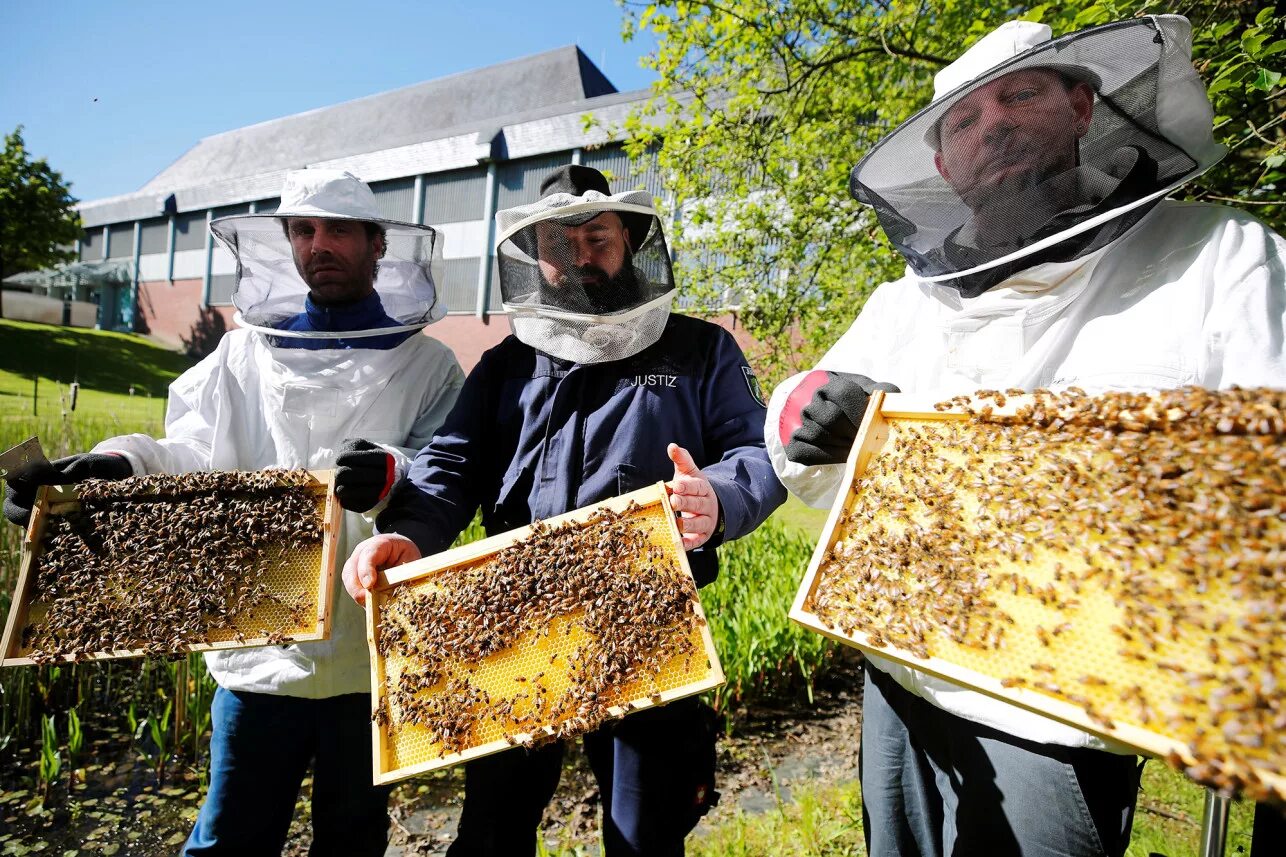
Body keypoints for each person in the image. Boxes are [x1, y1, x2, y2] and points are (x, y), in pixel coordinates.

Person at [766, 16, 1286, 857]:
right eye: (963, 121)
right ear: (942, 166)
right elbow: (795, 425)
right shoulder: (908, 300)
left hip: (1054, 704)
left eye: (1020, 95)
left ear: (1084, 104)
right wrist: (809, 410)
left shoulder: (1218, 257)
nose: (992, 125)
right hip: (897, 667)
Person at [4, 168, 465, 855]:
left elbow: (451, 471)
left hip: (371, 657)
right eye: (304, 231)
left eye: (339, 229)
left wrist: (396, 471)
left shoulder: (430, 365)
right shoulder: (241, 353)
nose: (320, 245)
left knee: (354, 839)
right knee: (229, 841)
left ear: (377, 244)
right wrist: (115, 465)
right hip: (258, 657)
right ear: (285, 245)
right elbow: (189, 450)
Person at [343, 164, 787, 857]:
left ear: (630, 241)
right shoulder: (505, 365)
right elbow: (451, 466)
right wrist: (407, 533)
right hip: (515, 622)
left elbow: (758, 452)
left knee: (644, 833)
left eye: (597, 237)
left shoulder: (701, 348)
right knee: (492, 828)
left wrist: (720, 496)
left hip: (648, 618)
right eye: (559, 241)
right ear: (533, 255)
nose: (579, 256)